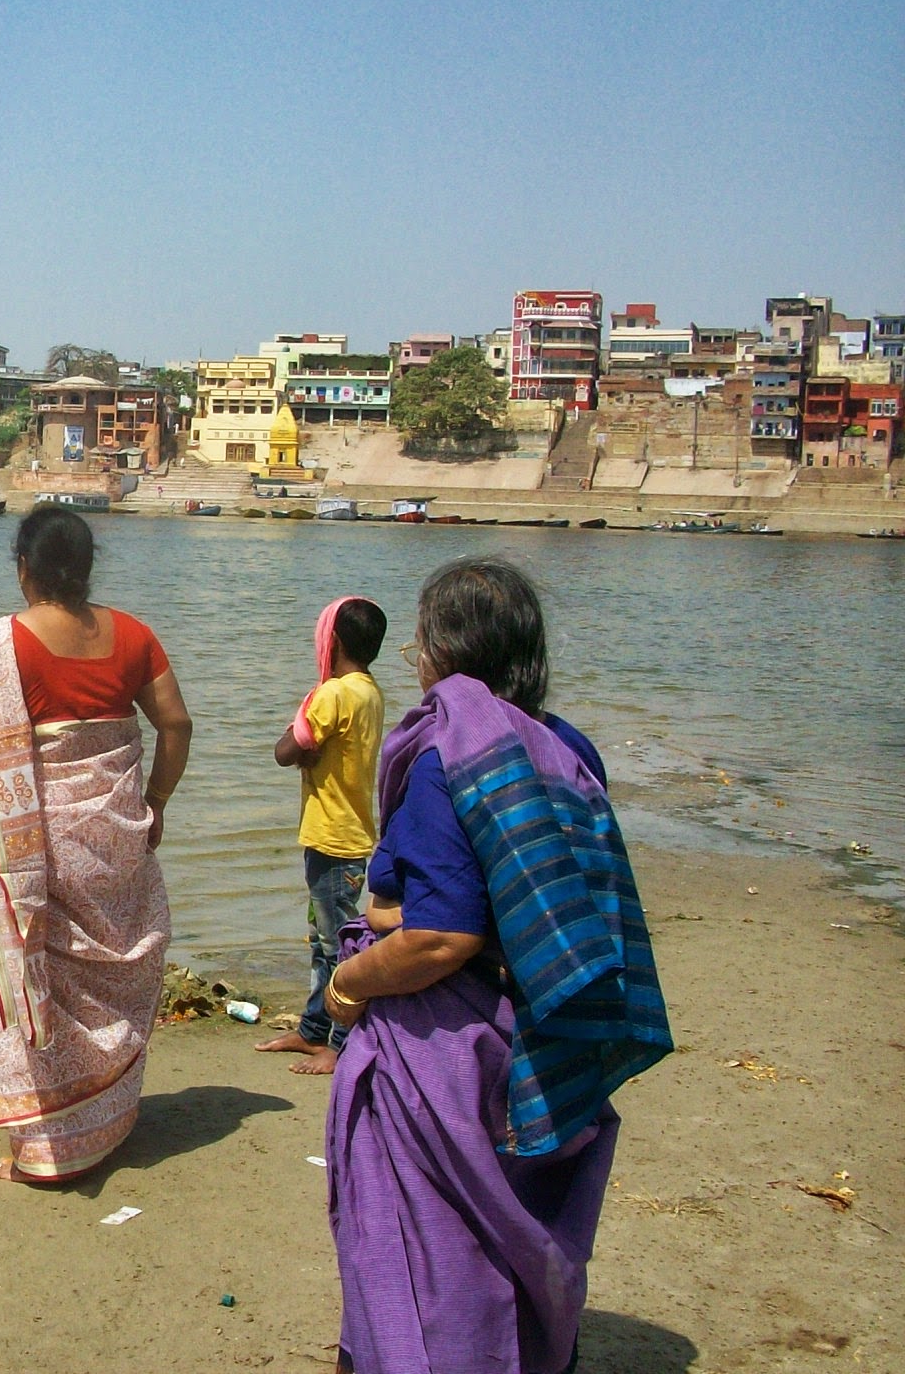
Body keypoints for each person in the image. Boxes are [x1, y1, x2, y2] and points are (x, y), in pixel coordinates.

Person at [321, 559, 672, 1374]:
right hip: (543, 1030)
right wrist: (397, 914)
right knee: (516, 1229)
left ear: (442, 653)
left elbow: (443, 939)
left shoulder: (447, 755)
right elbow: (534, 888)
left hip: (449, 1051)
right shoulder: (566, 748)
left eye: (419, 645)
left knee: (429, 1251)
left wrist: (345, 985)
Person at [0, 504, 193, 1184]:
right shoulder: (135, 635)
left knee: (36, 980)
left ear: (24, 568)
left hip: (33, 845)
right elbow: (176, 725)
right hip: (116, 837)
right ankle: (107, 1121)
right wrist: (156, 802)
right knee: (112, 977)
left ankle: (48, 1152)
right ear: (86, 568)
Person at [258, 595, 386, 1075]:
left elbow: (285, 751)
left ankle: (340, 1043)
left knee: (337, 946)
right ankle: (313, 1030)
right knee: (323, 938)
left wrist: (296, 746)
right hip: (348, 832)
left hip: (333, 836)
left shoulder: (334, 694)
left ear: (333, 641)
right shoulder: (369, 691)